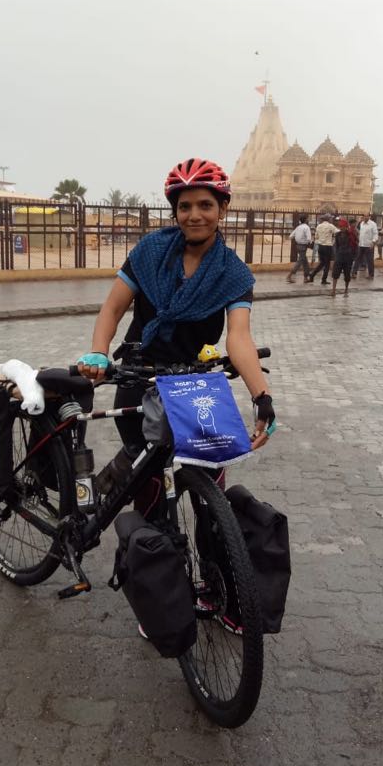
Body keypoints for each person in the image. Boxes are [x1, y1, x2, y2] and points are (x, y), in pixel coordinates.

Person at [76, 157, 276, 515]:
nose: (194, 215)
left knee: (213, 483)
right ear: (174, 211)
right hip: (140, 375)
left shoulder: (233, 273)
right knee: (149, 485)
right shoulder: (150, 253)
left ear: (223, 209)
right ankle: (143, 549)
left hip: (195, 384)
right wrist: (98, 352)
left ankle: (218, 561)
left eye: (205, 205)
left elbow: (239, 338)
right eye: (184, 206)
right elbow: (113, 309)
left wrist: (261, 396)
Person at [331, 218, 358, 296]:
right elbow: (336, 245)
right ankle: (333, 290)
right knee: (335, 274)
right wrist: (335, 255)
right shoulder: (337, 235)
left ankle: (346, 290)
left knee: (347, 274)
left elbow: (355, 245)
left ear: (346, 227)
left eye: (343, 226)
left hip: (348, 257)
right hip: (339, 256)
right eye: (340, 226)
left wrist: (353, 256)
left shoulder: (351, 234)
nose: (341, 228)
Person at [307, 214, 337, 284]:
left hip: (320, 246)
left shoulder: (319, 226)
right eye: (331, 218)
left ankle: (312, 275)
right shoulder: (330, 226)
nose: (331, 220)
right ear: (328, 219)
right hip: (328, 246)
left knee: (322, 263)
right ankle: (323, 279)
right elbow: (337, 232)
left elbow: (316, 237)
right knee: (327, 264)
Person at [351, 213, 378, 279]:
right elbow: (361, 233)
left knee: (369, 261)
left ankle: (371, 275)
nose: (365, 217)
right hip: (361, 245)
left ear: (369, 216)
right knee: (357, 259)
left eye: (367, 216)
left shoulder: (373, 224)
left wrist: (373, 242)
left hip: (369, 245)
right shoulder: (361, 223)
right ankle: (354, 273)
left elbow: (375, 234)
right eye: (364, 216)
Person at [286, 215, 312, 283]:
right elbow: (309, 238)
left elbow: (291, 236)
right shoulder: (306, 227)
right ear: (305, 220)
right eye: (307, 219)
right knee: (300, 261)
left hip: (298, 246)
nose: (308, 220)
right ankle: (289, 276)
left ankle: (306, 277)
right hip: (304, 246)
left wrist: (298, 238)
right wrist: (308, 242)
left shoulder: (298, 227)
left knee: (305, 262)